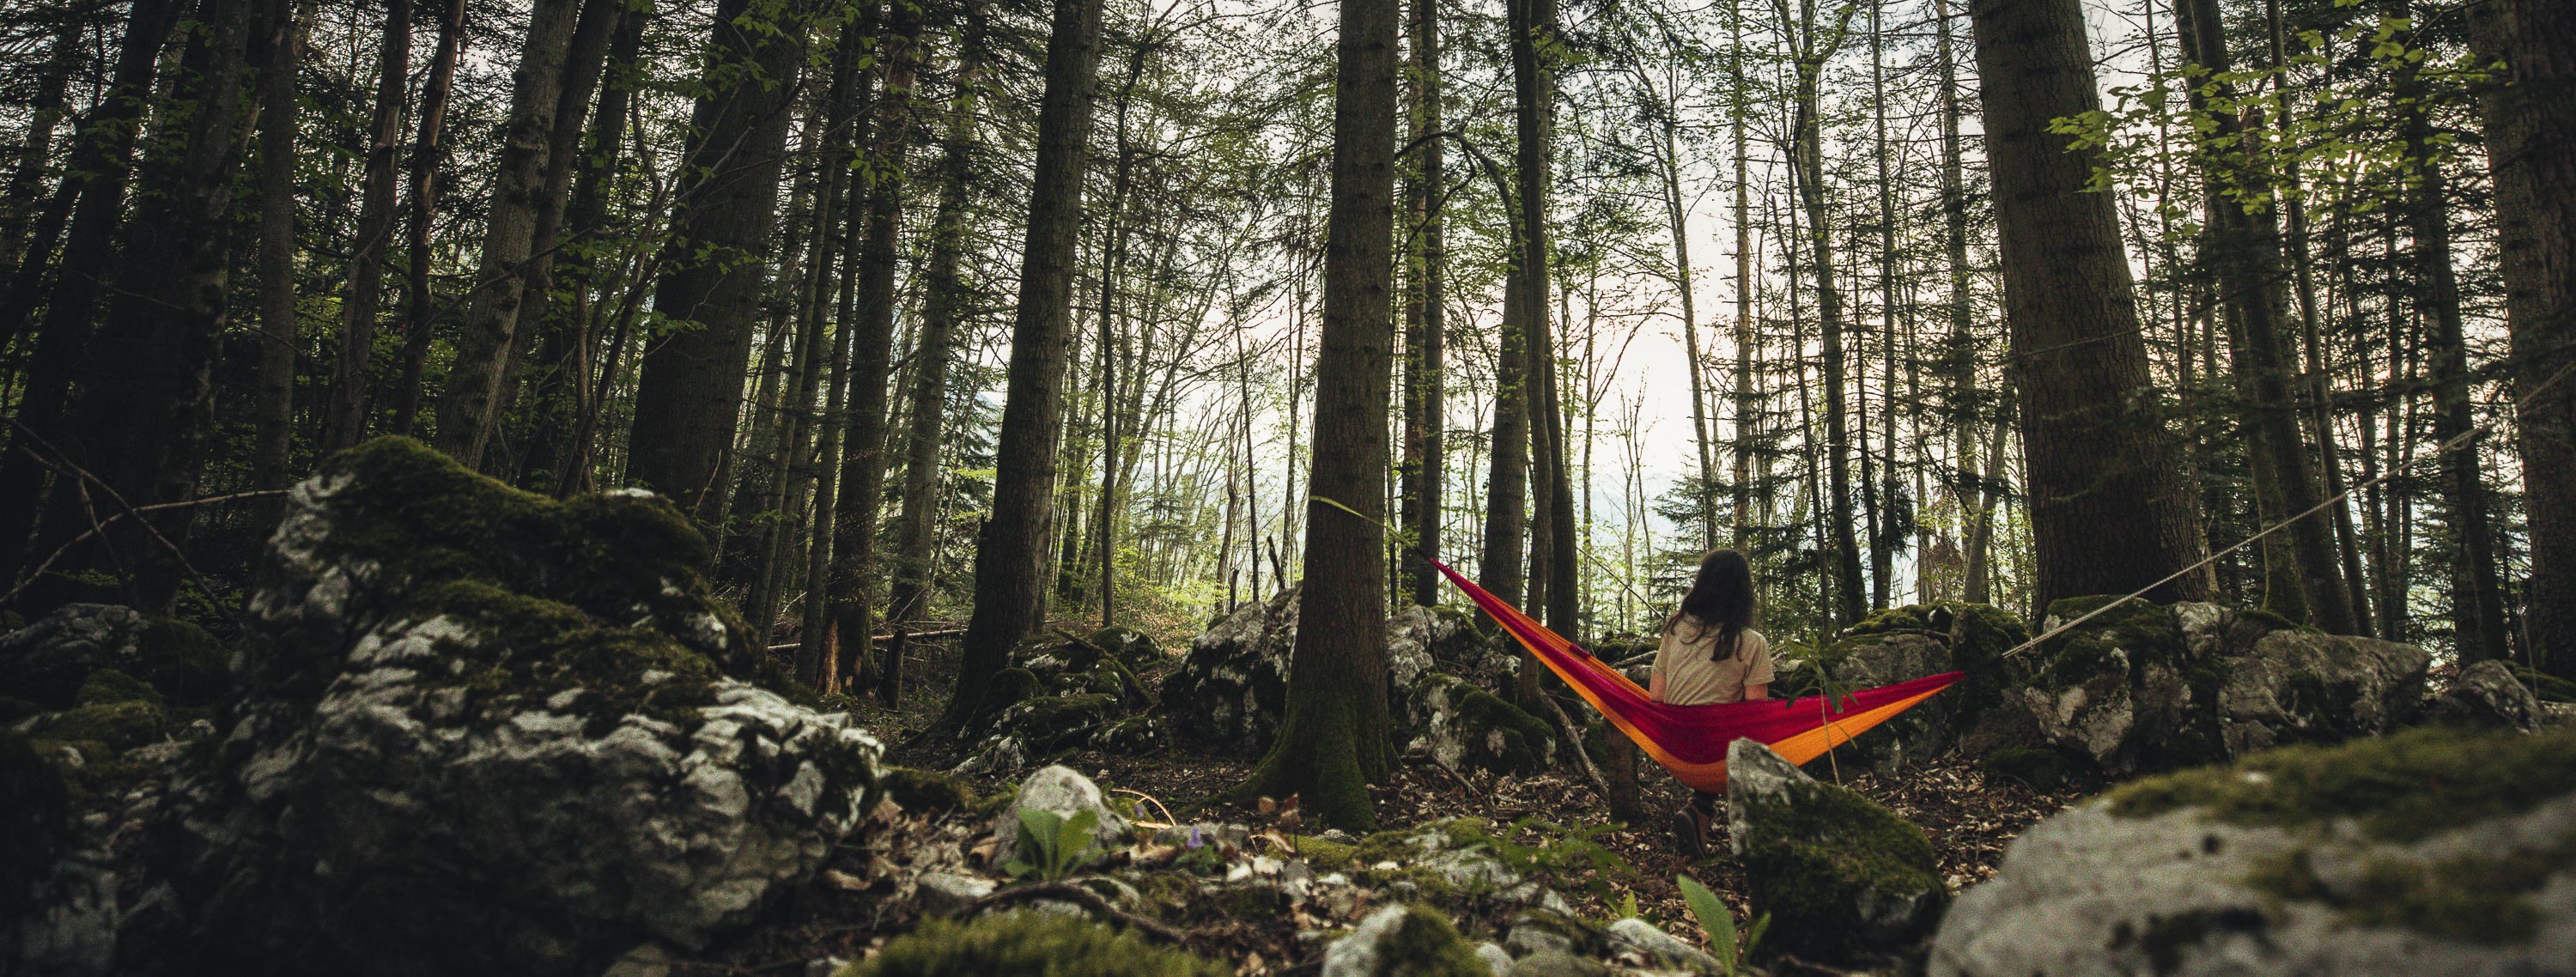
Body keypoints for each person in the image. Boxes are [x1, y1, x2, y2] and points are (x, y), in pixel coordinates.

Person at [1649, 548, 1772, 856]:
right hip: (1713, 749)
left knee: (1709, 729)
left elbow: (1656, 696)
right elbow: (1755, 716)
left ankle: (1699, 812)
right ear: (1743, 593)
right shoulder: (1752, 642)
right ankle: (1748, 832)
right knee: (1744, 737)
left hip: (1673, 742)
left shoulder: (1675, 630)